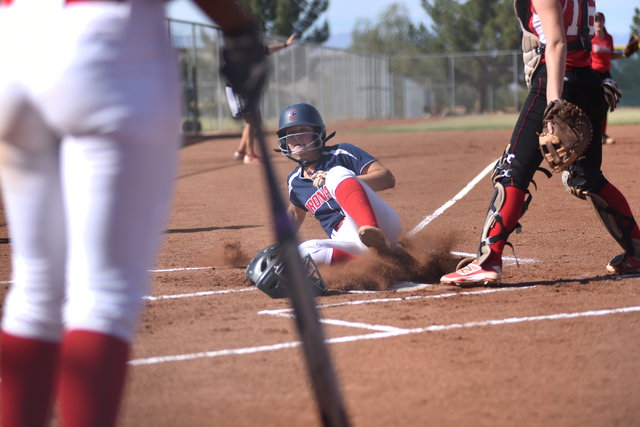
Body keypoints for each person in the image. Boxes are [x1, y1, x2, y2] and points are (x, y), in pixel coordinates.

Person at [0, 1, 265, 427]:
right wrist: (238, 31)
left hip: (13, 42)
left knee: (32, 295)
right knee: (101, 298)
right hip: (106, 42)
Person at [441, 0, 640, 287]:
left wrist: (553, 104)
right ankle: (636, 251)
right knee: (588, 177)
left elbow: (557, 43)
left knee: (512, 170)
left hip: (556, 80)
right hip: (588, 82)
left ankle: (487, 261)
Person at [277, 103, 402, 265]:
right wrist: (279, 249)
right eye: (290, 133)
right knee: (302, 252)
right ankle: (375, 263)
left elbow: (387, 178)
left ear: (317, 133)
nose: (296, 137)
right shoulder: (294, 181)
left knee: (335, 173)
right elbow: (294, 214)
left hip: (378, 222)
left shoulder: (340, 153)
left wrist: (345, 180)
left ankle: (374, 238)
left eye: (302, 130)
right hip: (346, 240)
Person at [230, 33, 297, 164]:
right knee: (252, 120)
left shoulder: (252, 48)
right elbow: (226, 69)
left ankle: (241, 151)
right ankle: (249, 155)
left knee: (256, 119)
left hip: (248, 87)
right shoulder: (237, 50)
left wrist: (285, 44)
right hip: (240, 88)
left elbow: (268, 49)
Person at [591, 12, 628, 145]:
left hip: (606, 74)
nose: (598, 22)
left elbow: (610, 55)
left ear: (604, 22)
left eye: (601, 20)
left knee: (605, 105)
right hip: (593, 73)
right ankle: (592, 135)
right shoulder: (590, 38)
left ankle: (602, 135)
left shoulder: (608, 38)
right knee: (593, 104)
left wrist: (623, 54)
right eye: (596, 20)